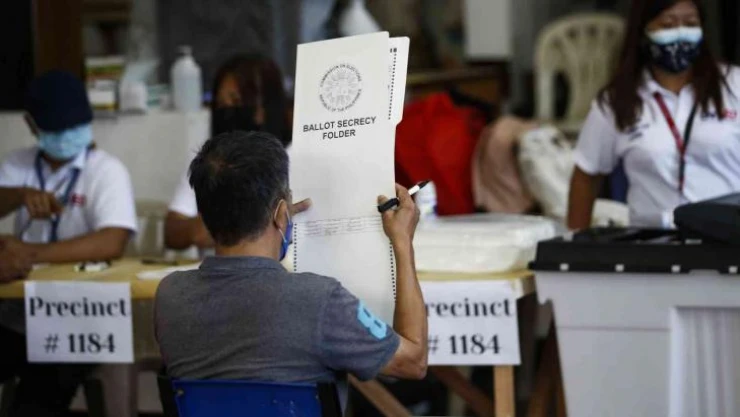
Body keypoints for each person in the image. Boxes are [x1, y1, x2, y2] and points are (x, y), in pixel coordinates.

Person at [154, 131, 427, 410]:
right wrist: (402, 242)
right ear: (281, 213)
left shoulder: (170, 295)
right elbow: (413, 362)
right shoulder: (319, 300)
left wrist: (276, 219)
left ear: (204, 215)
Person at [0, 70, 137, 417]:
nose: (67, 136)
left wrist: (30, 253)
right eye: (56, 128)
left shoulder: (106, 170)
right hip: (16, 314)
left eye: (75, 126)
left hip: (79, 315)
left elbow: (112, 241)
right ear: (31, 125)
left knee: (37, 397)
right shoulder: (17, 165)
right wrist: (20, 195)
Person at [567, 0, 740, 230]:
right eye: (668, 25)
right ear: (643, 32)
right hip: (652, 241)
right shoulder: (617, 100)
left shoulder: (734, 85)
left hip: (727, 239)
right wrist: (575, 241)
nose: (681, 33)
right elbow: (586, 176)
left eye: (690, 24)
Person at [164, 55, 290, 250]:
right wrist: (202, 227)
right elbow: (172, 231)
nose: (228, 111)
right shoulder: (211, 160)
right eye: (221, 105)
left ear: (265, 106)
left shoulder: (297, 156)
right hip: (221, 269)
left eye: (237, 101)